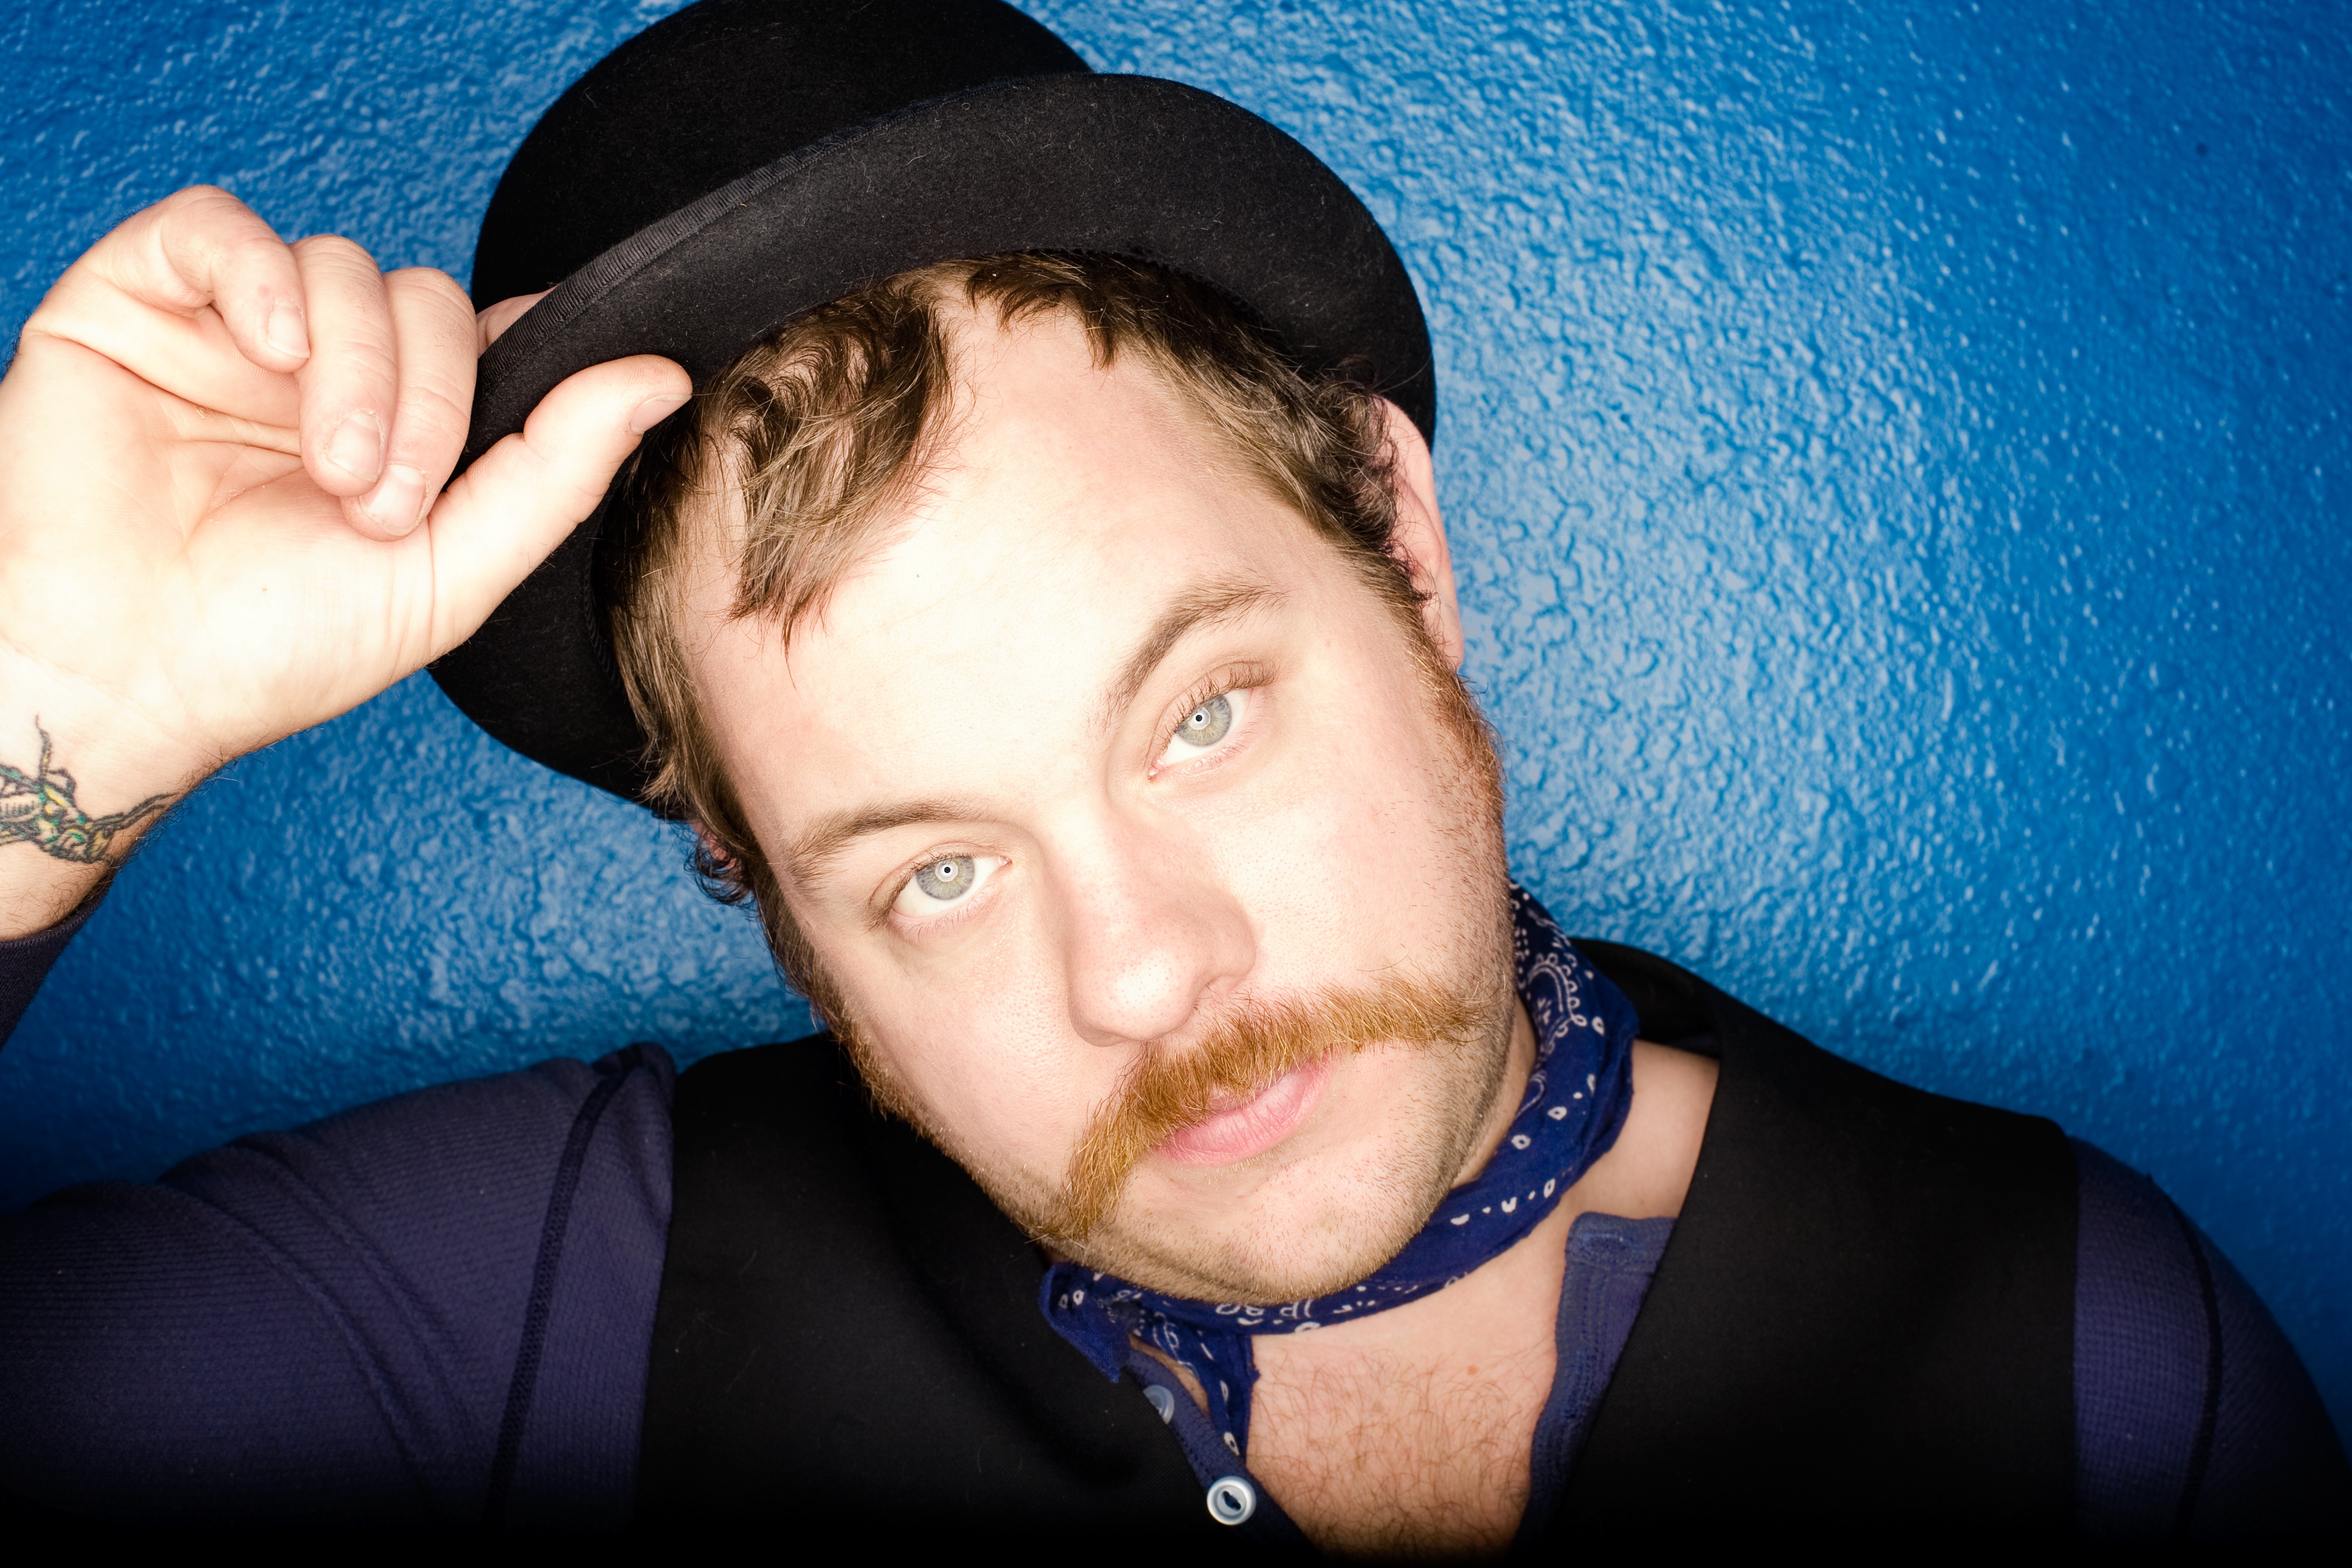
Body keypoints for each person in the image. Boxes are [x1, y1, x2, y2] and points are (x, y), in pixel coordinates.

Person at [0, 0, 2342, 1545]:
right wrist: (55, 719)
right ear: (766, 898)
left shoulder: (2092, 1356)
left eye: (1200, 717)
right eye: (930, 872)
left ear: (1400, 547)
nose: (1142, 973)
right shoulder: (540, 1305)